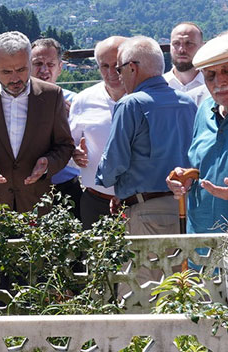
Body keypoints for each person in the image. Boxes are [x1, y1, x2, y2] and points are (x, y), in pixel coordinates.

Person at [0, 32, 73, 215]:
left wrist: (48, 164)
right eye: (6, 72)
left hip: (37, 206)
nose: (15, 78)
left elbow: (65, 145)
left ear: (29, 62)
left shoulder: (52, 95)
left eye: (21, 69)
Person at [95, 36, 198, 235]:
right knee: (182, 267)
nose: (119, 76)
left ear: (132, 68)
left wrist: (106, 181)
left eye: (119, 69)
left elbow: (115, 162)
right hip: (187, 206)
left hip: (146, 211)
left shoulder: (130, 104)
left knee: (144, 267)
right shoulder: (188, 103)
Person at [166, 33, 228, 233]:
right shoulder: (205, 109)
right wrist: (183, 178)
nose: (219, 82)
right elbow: (200, 165)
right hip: (200, 236)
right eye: (210, 75)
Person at [69, 36, 127, 227]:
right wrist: (75, 154)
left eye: (117, 65)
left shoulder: (147, 99)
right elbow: (69, 147)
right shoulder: (83, 100)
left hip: (139, 203)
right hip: (96, 201)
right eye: (105, 66)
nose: (112, 73)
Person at [31, 37, 85, 219]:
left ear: (60, 67)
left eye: (50, 64)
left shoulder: (76, 102)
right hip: (28, 187)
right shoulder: (17, 102)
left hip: (67, 185)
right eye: (38, 63)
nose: (44, 70)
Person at [165, 22, 209, 105]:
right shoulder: (161, 85)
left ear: (202, 47)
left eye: (189, 43)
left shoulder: (212, 86)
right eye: (176, 43)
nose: (182, 50)